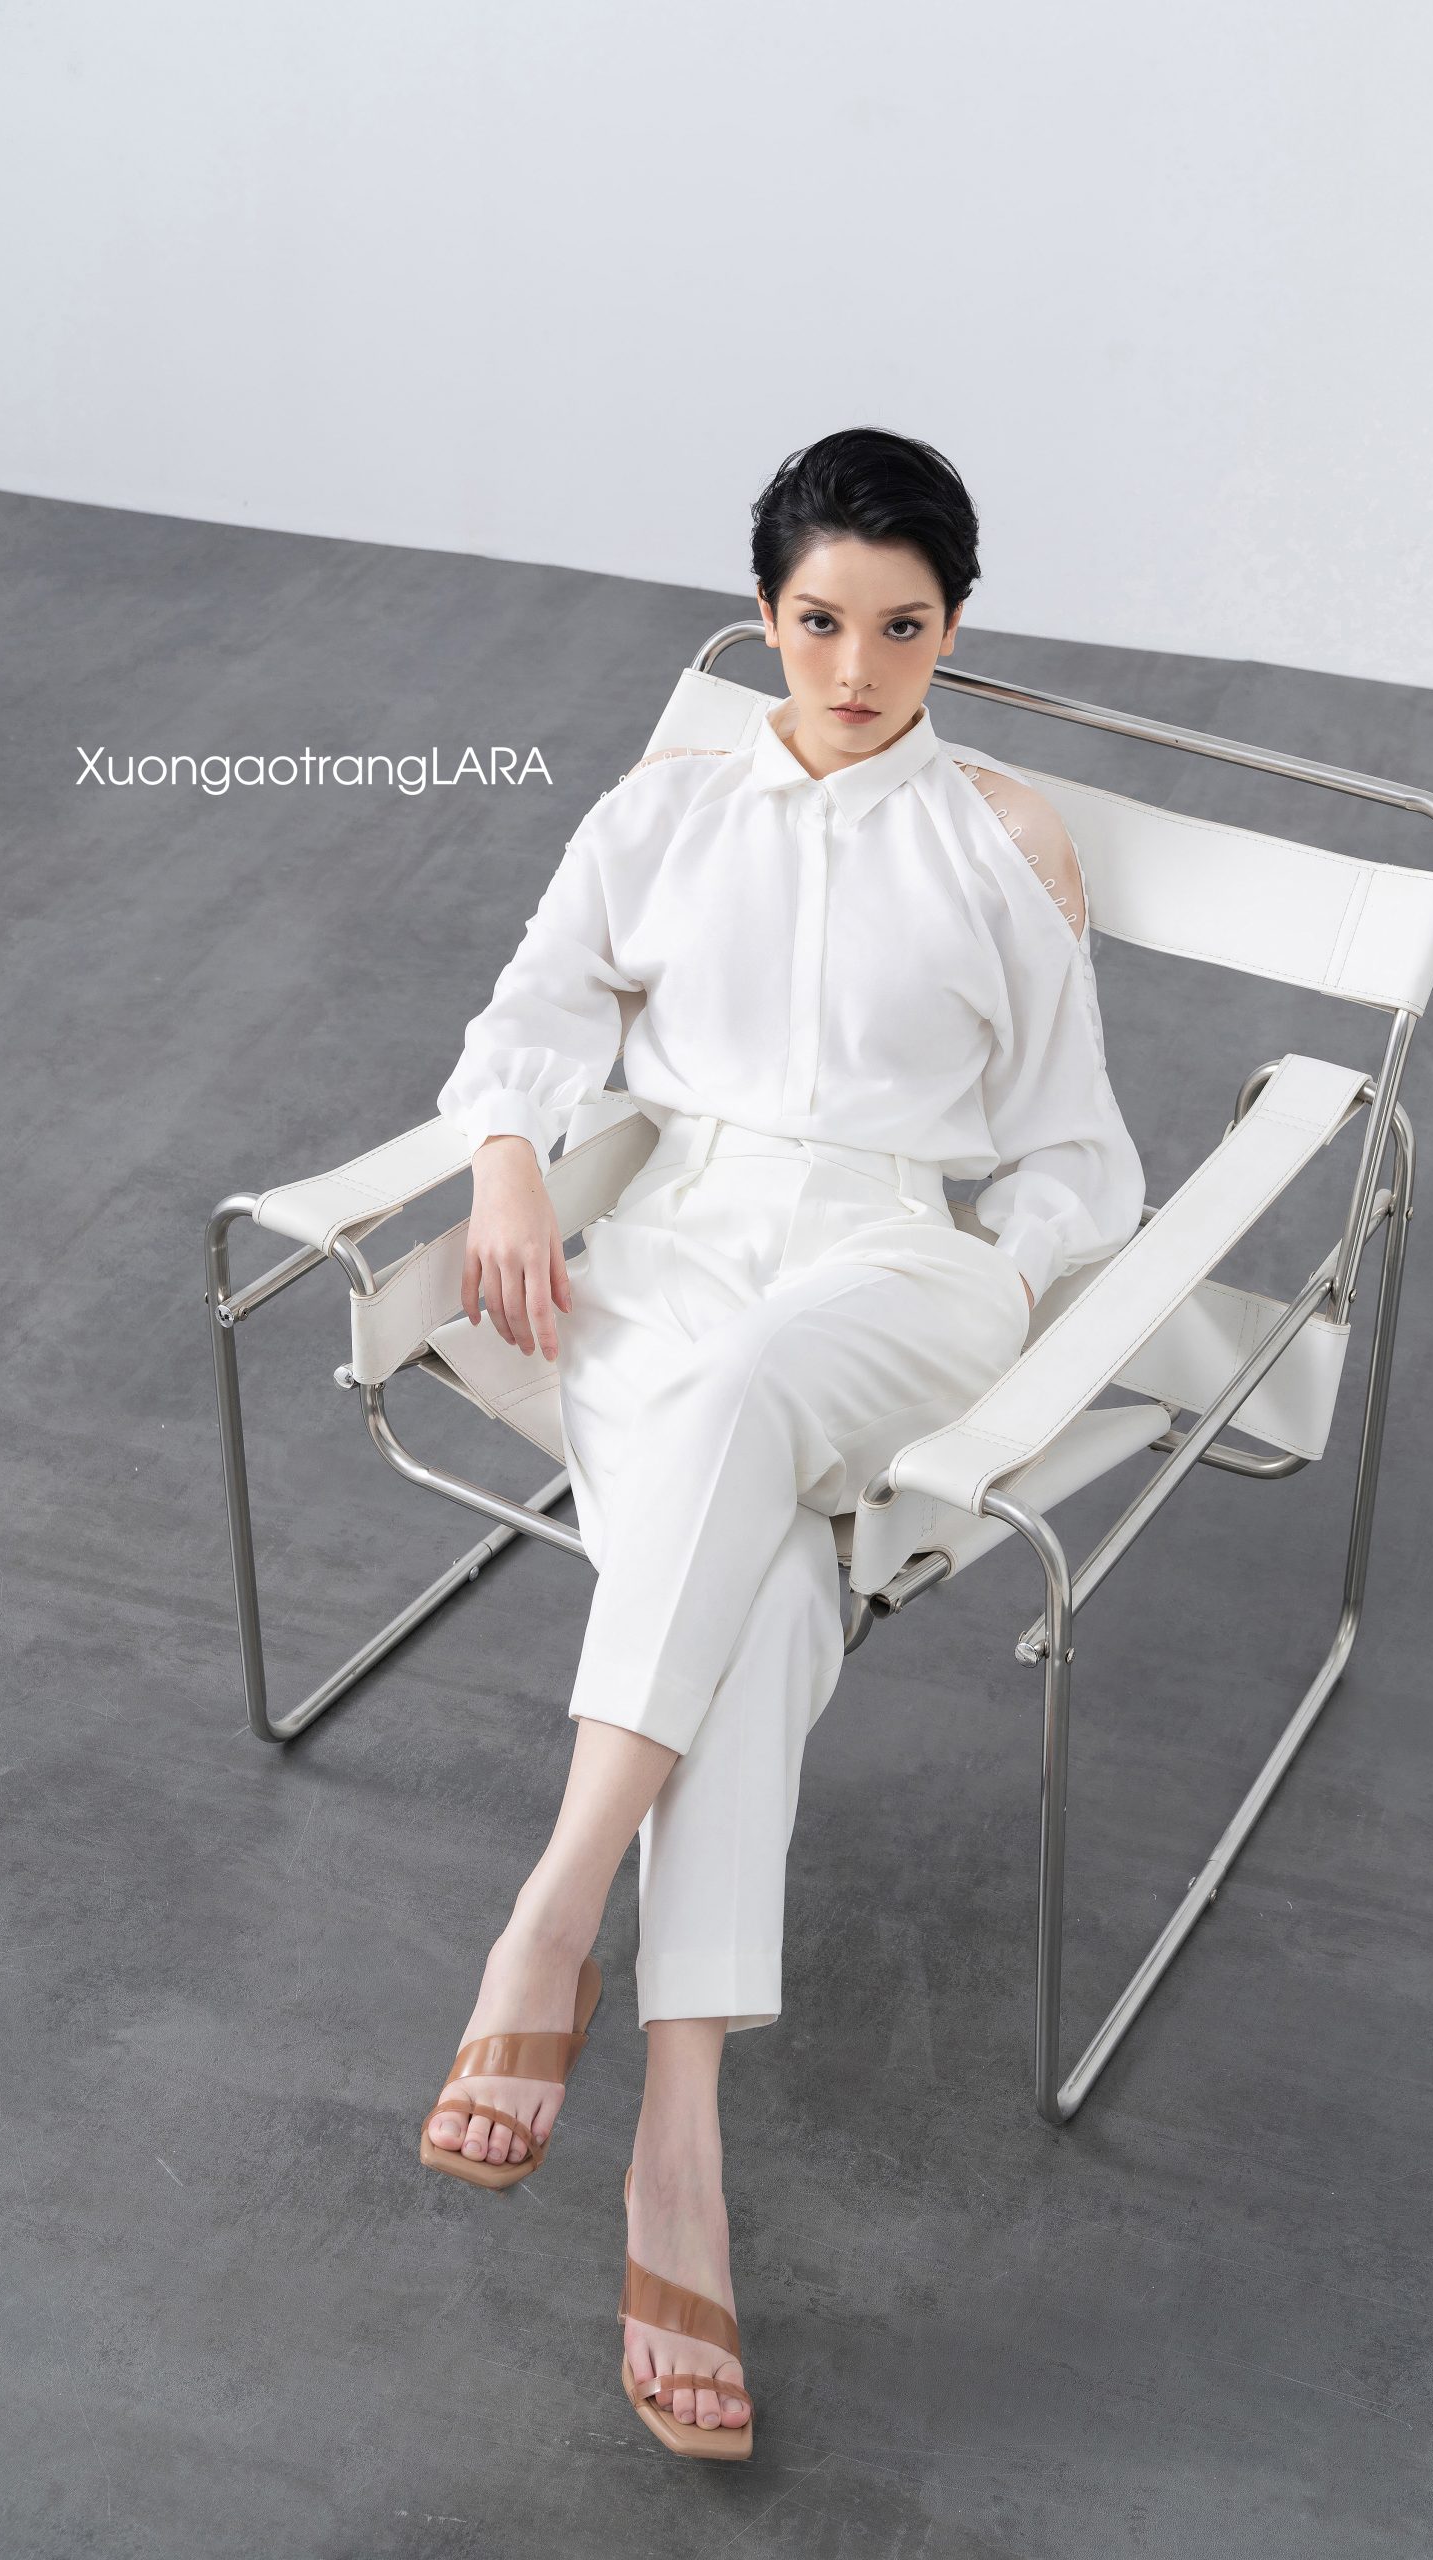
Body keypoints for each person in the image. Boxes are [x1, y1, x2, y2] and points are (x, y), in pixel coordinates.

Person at [422, 426, 1145, 2456]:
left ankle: (552, 1912)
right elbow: (535, 1011)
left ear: (952, 627)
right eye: (818, 620)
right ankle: (677, 2148)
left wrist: (1005, 1277)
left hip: (896, 1266)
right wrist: (506, 1160)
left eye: (902, 627)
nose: (855, 666)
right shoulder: (660, 807)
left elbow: (1075, 1149)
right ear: (762, 615)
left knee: (742, 1404)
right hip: (662, 1247)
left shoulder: (999, 838)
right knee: (764, 1596)